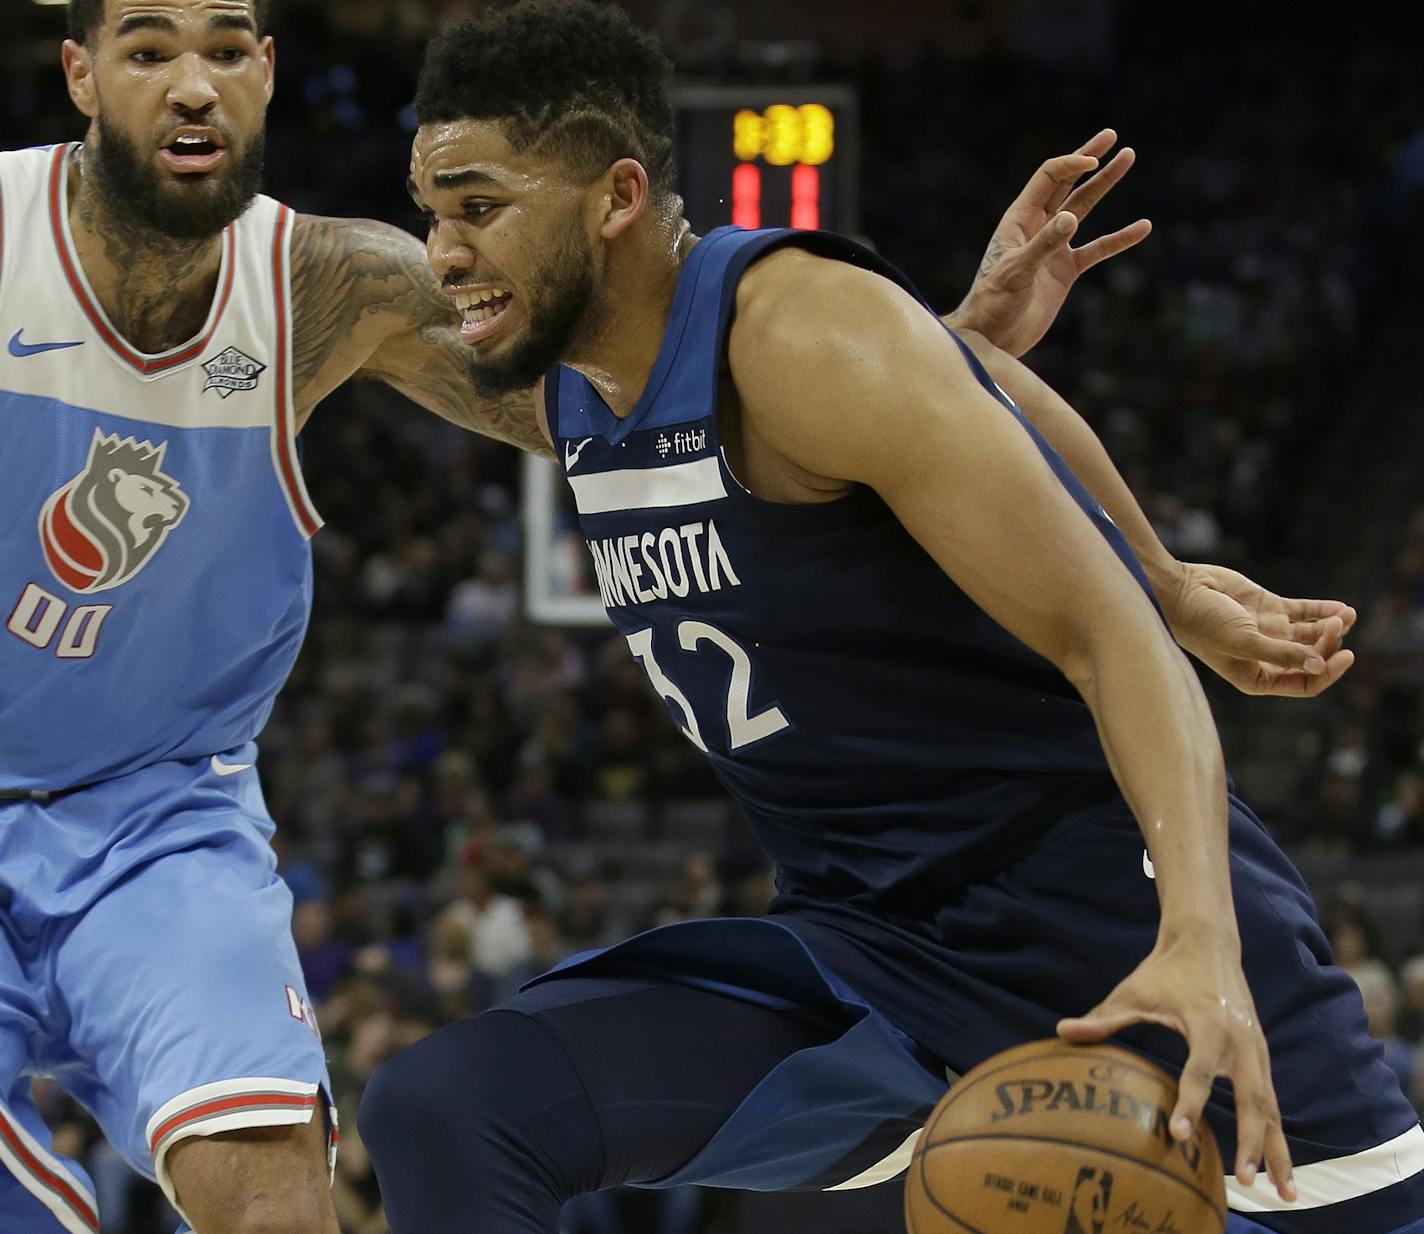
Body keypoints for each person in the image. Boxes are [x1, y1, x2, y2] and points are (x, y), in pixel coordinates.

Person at [0, 1, 1155, 1230]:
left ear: (268, 73)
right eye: (148, 50)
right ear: (77, 72)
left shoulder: (329, 286)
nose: (192, 85)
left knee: (277, 1205)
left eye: (225, 50)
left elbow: (661, 403)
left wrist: (940, 358)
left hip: (164, 815)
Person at [363, 4, 1423, 1233]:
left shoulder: (793, 325)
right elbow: (964, 384)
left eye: (478, 208)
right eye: (431, 212)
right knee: (450, 1103)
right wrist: (1152, 559)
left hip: (1108, 942)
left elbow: (1107, 639)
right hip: (868, 961)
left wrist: (1200, 931)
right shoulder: (584, 392)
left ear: (613, 195)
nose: (442, 252)